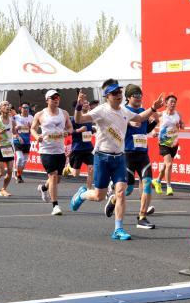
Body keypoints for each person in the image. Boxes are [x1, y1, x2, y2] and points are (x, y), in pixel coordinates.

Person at [70, 79, 164, 240]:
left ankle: (118, 229)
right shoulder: (101, 110)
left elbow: (139, 118)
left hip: (119, 158)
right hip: (102, 157)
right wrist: (78, 106)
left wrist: (153, 108)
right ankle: (82, 195)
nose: (118, 95)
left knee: (121, 192)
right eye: (114, 93)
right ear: (107, 96)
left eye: (120, 92)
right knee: (99, 196)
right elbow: (79, 120)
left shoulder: (124, 111)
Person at [120, 84, 158, 229]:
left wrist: (155, 122)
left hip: (143, 154)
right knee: (128, 189)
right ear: (128, 97)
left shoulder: (143, 111)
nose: (138, 98)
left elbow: (145, 129)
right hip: (128, 154)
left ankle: (142, 217)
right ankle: (113, 200)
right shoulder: (123, 111)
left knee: (147, 183)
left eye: (140, 95)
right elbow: (116, 127)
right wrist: (128, 123)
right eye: (135, 95)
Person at [31, 90, 73, 216]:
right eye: (53, 97)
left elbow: (70, 127)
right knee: (53, 177)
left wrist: (68, 132)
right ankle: (55, 206)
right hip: (46, 150)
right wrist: (36, 136)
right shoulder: (40, 114)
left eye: (57, 97)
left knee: (57, 179)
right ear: (47, 100)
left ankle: (43, 188)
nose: (56, 99)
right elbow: (33, 128)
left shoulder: (64, 113)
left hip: (59, 150)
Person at [152, 95, 184, 196]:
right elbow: (148, 120)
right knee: (169, 164)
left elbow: (182, 125)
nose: (173, 104)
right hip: (163, 143)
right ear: (166, 103)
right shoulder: (161, 114)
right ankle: (169, 186)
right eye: (171, 102)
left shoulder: (178, 114)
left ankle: (157, 181)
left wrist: (181, 125)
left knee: (166, 165)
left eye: (174, 102)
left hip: (174, 143)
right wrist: (153, 131)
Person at [67, 98, 95, 188]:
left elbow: (88, 131)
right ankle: (68, 167)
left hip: (88, 148)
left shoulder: (89, 117)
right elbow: (68, 131)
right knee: (76, 174)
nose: (87, 104)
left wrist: (92, 130)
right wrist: (78, 130)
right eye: (84, 103)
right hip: (77, 149)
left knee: (92, 168)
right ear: (79, 106)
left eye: (87, 102)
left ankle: (89, 189)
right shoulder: (74, 119)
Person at [12, 103, 33, 183]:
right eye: (24, 108)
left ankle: (19, 175)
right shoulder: (16, 117)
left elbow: (33, 129)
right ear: (20, 108)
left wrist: (30, 127)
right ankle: (18, 175)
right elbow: (12, 129)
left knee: (24, 160)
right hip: (18, 140)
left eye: (27, 108)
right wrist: (17, 129)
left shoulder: (31, 117)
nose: (26, 109)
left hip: (27, 141)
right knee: (20, 158)